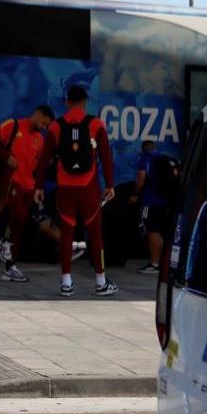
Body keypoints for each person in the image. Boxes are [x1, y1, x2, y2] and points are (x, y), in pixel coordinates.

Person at [34, 86, 119, 297]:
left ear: (66, 101)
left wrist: (38, 186)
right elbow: (106, 157)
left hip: (65, 188)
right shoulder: (95, 124)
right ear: (85, 102)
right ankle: (101, 282)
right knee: (94, 232)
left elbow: (44, 159)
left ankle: (66, 282)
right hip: (88, 187)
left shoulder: (55, 126)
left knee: (66, 233)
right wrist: (109, 184)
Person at [0, 105, 54, 282]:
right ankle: (5, 242)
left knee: (20, 225)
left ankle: (10, 267)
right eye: (44, 123)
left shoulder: (39, 139)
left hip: (28, 186)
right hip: (12, 182)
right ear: (38, 114)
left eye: (47, 126)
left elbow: (40, 166)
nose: (44, 127)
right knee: (21, 215)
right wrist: (6, 156)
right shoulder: (13, 125)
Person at [129, 140, 169, 274]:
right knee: (157, 231)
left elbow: (141, 177)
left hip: (150, 201)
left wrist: (135, 194)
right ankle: (160, 262)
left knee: (152, 231)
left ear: (143, 149)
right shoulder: (163, 158)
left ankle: (154, 264)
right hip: (163, 201)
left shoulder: (145, 158)